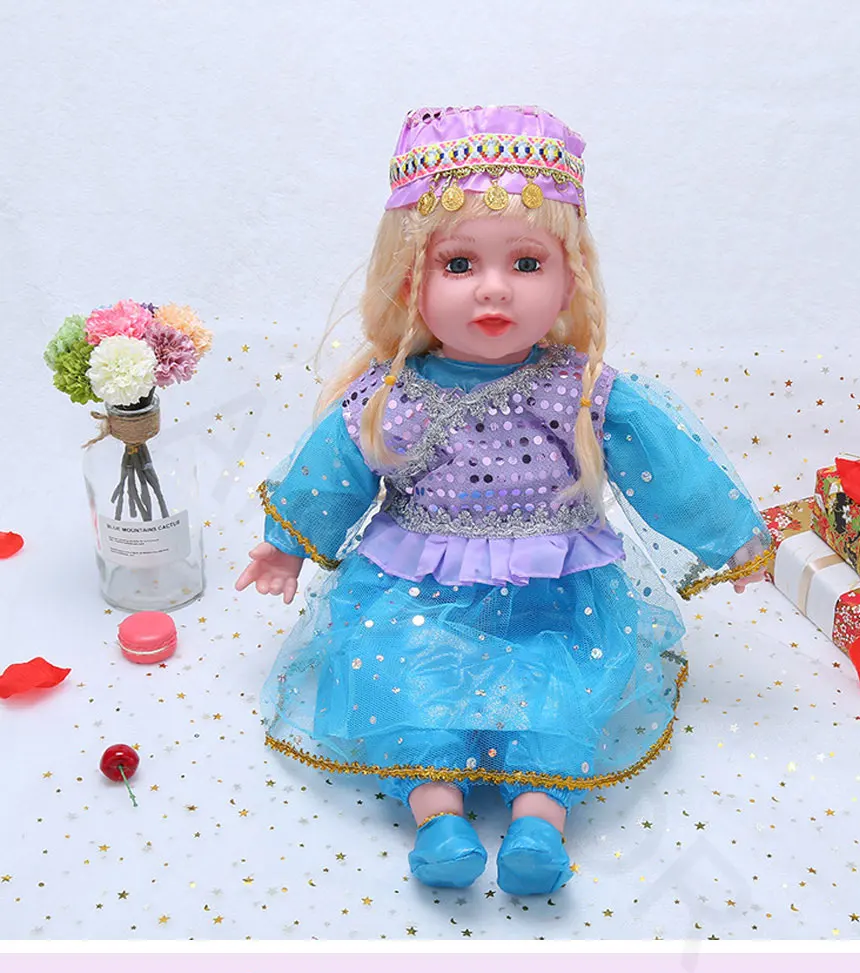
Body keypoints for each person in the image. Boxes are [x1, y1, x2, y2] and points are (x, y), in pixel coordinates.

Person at [236, 106, 771, 896]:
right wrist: (286, 545)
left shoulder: (581, 391)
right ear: (409, 280)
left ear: (569, 278)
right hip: (412, 592)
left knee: (558, 692)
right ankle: (438, 816)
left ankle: (538, 821)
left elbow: (668, 468)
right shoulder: (391, 395)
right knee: (404, 680)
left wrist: (731, 534)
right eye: (458, 265)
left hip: (556, 599)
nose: (494, 288)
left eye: (526, 263)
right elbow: (332, 474)